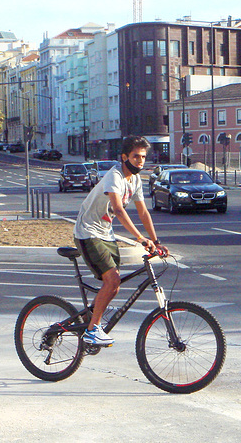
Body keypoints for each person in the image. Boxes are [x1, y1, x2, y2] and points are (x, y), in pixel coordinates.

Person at [74, 135, 169, 346]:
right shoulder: (114, 176)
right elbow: (118, 209)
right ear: (124, 157)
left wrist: (156, 240)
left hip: (106, 234)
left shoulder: (135, 180)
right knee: (113, 280)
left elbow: (143, 211)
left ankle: (92, 318)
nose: (140, 161)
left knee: (114, 284)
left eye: (143, 157)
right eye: (136, 157)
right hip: (88, 232)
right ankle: (91, 331)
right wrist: (140, 238)